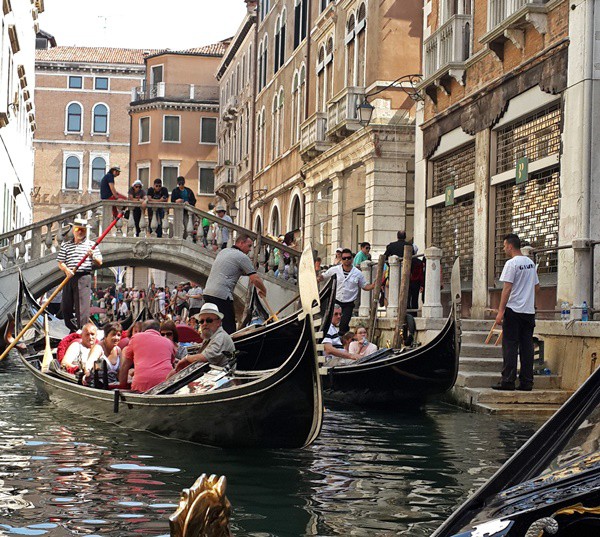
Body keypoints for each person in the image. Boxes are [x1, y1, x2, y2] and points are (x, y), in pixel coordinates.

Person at [492, 234, 539, 392]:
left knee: (510, 345)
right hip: (529, 311)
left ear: (510, 246)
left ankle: (508, 381)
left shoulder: (511, 264)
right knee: (527, 347)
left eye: (505, 245)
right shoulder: (530, 263)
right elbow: (537, 287)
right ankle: (527, 382)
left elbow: (507, 288)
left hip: (514, 310)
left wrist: (500, 311)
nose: (504, 248)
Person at [203, 234, 268, 334]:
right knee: (229, 328)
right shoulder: (242, 257)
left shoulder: (223, 251)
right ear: (241, 243)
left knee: (213, 324)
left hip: (207, 293)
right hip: (222, 295)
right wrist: (263, 290)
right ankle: (229, 348)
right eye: (249, 246)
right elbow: (255, 279)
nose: (250, 249)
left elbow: (233, 270)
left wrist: (249, 269)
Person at [57, 218, 103, 332]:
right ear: (73, 230)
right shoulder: (66, 245)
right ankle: (73, 329)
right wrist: (67, 270)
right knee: (65, 307)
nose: (80, 232)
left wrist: (92, 256)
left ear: (86, 231)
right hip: (69, 277)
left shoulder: (91, 245)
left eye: (83, 229)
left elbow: (100, 261)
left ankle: (81, 330)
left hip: (83, 277)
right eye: (78, 229)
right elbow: (60, 262)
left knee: (82, 308)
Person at [318, 248, 375, 334]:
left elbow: (364, 286)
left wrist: (374, 285)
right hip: (336, 301)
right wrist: (317, 278)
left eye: (348, 258)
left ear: (352, 259)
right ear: (341, 259)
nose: (346, 260)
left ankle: (341, 341)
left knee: (344, 324)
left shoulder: (357, 273)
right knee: (330, 322)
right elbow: (324, 276)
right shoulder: (335, 270)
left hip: (348, 303)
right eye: (344, 258)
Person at [119, 320, 175, 392]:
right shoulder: (169, 342)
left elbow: (125, 366)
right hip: (165, 386)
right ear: (159, 331)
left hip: (140, 385)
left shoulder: (135, 338)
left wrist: (123, 387)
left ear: (142, 330)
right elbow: (172, 367)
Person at [176, 303, 235, 369]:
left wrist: (186, 358)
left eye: (209, 320)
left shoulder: (221, 337)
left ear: (218, 322)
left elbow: (205, 357)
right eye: (201, 321)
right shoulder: (210, 338)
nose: (204, 324)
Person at [85, 322, 122, 387]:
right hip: (99, 386)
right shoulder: (98, 348)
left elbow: (121, 371)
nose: (116, 338)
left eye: (118, 335)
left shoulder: (118, 350)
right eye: (113, 335)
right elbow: (89, 365)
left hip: (114, 386)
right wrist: (87, 374)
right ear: (105, 336)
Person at [408, 245, 424, 311]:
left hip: (408, 282)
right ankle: (414, 313)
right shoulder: (419, 262)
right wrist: (422, 284)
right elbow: (421, 274)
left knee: (407, 299)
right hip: (416, 283)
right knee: (415, 299)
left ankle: (408, 313)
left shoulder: (406, 261)